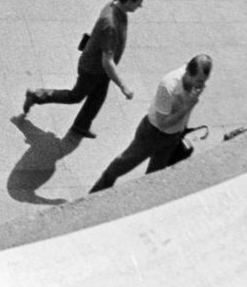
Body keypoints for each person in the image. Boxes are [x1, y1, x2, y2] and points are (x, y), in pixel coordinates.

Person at [22, 0, 145, 139]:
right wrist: (123, 87)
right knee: (75, 96)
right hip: (92, 69)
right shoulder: (111, 25)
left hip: (100, 70)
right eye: (138, 2)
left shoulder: (114, 4)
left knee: (98, 97)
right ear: (128, 2)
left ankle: (81, 126)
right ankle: (36, 95)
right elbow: (107, 61)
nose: (140, 6)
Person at [90, 55, 213, 193]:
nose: (202, 86)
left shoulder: (193, 84)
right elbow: (162, 123)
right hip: (152, 134)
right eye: (199, 81)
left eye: (204, 82)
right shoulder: (169, 85)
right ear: (189, 73)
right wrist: (188, 107)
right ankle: (96, 191)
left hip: (172, 137)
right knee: (123, 164)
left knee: (155, 176)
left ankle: (144, 201)